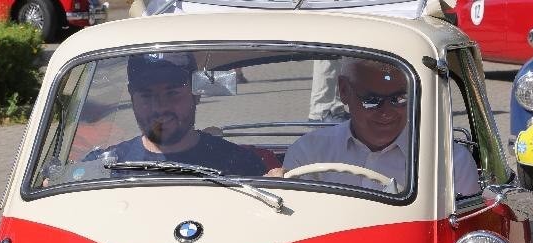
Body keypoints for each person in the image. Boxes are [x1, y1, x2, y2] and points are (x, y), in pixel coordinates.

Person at [272, 58, 481, 196]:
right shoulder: (308, 153)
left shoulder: (451, 162)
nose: (387, 112)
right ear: (344, 91)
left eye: (399, 98)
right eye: (371, 100)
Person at [84, 52, 266, 176]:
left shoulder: (239, 164)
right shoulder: (106, 168)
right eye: (146, 95)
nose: (160, 107)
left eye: (172, 93)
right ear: (132, 98)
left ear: (196, 94)